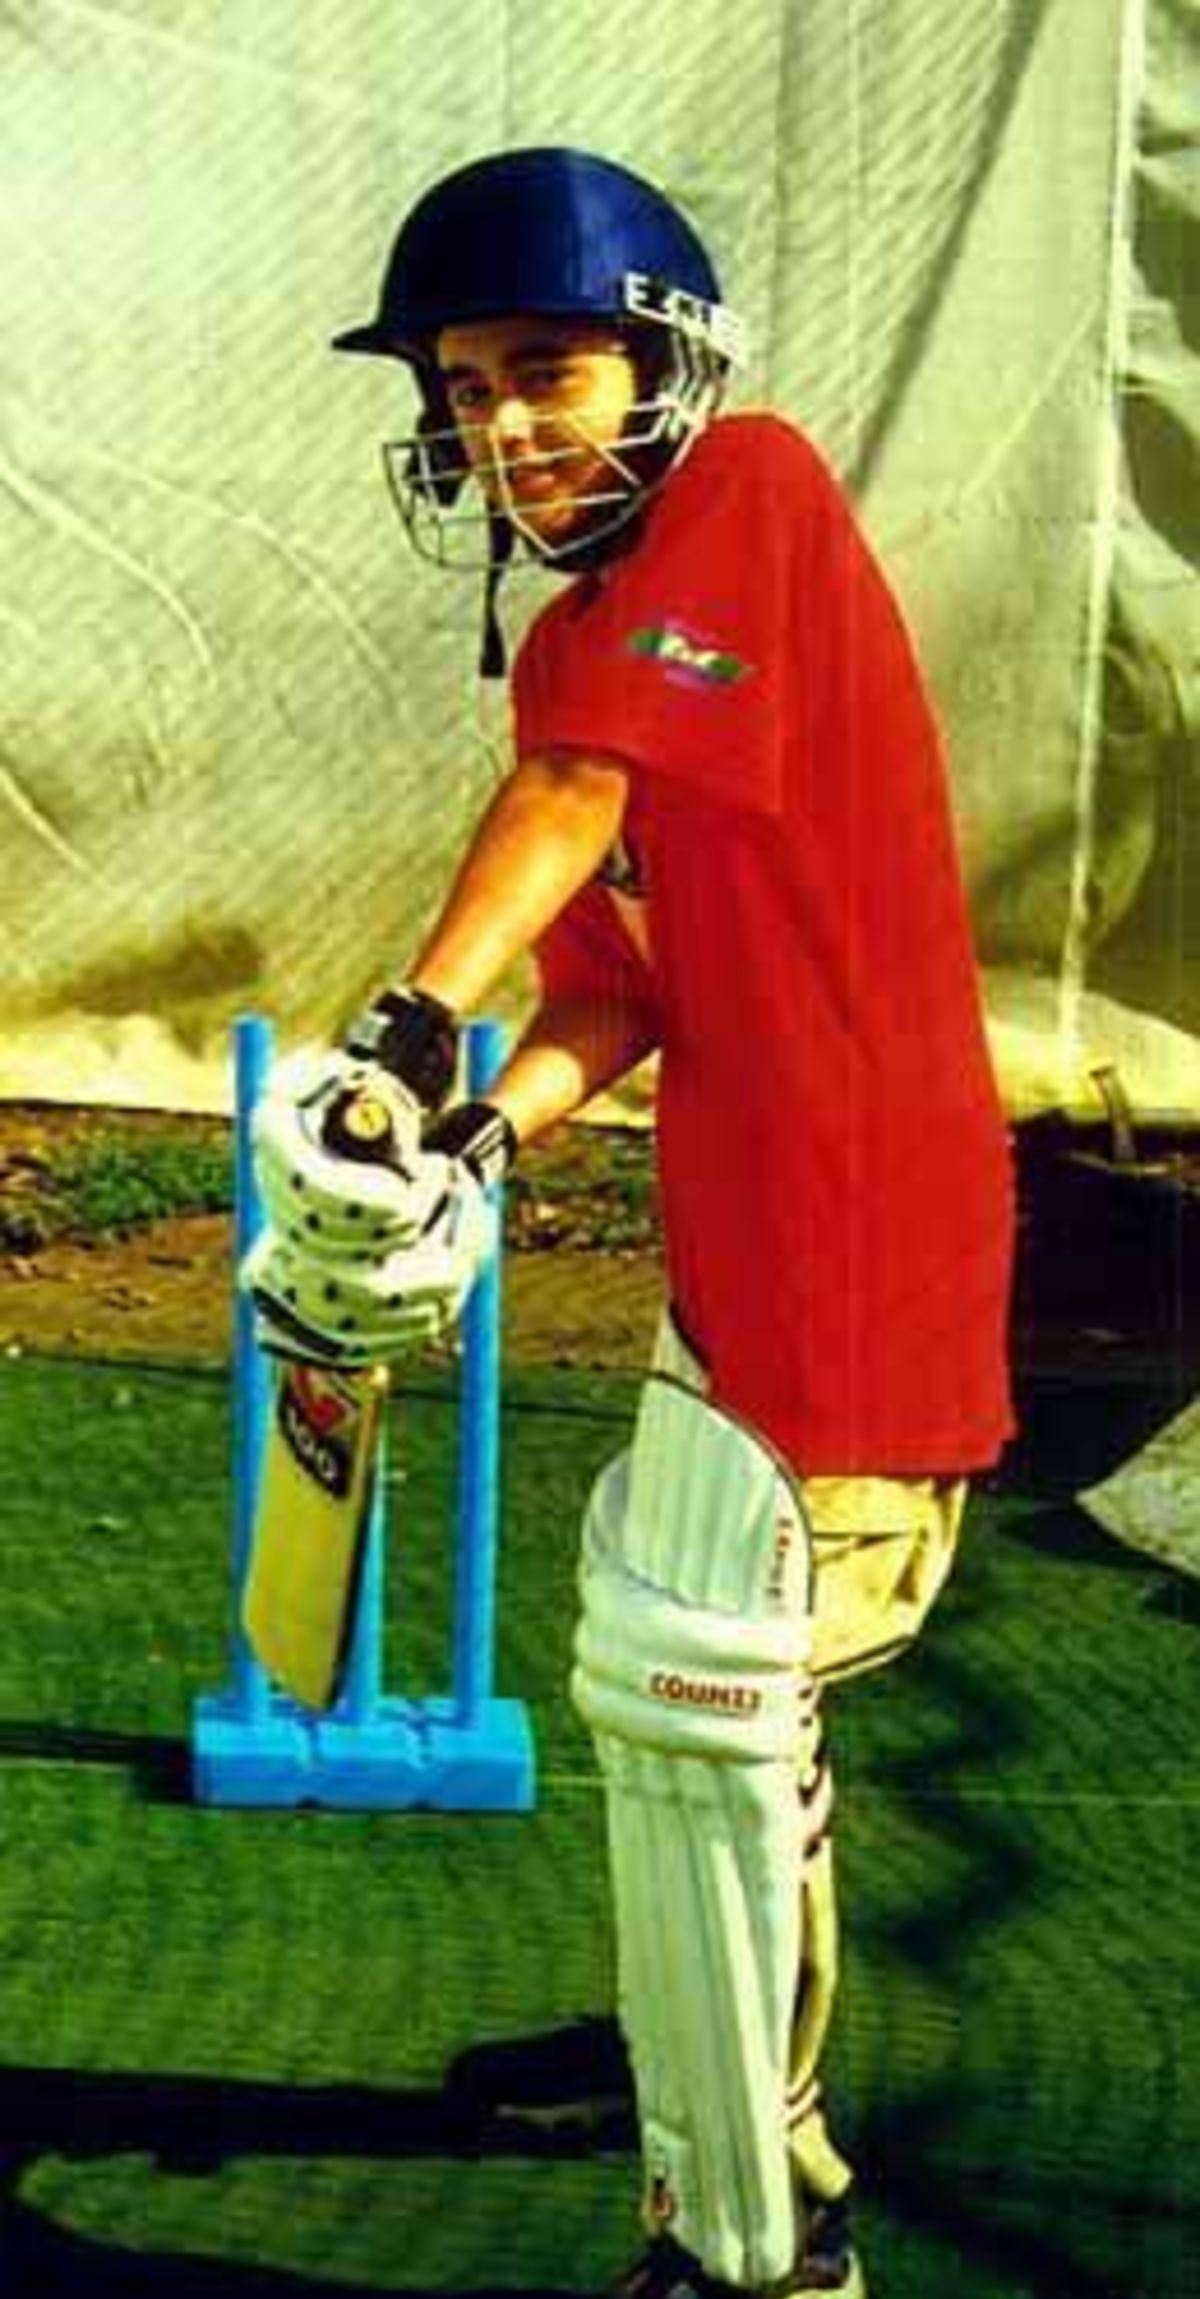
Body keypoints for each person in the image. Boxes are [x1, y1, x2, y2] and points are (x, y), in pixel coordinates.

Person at [246, 148, 1015, 2299]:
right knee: (674, 1689)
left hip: (861, 1252)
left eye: (551, 368)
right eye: (470, 387)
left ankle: (766, 2234)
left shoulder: (751, 500)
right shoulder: (580, 644)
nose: (506, 424)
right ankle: (698, 2040)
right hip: (732, 1253)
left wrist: (400, 1026)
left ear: (667, 362)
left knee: (708, 1696)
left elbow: (576, 803)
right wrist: (475, 1132)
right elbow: (616, 981)